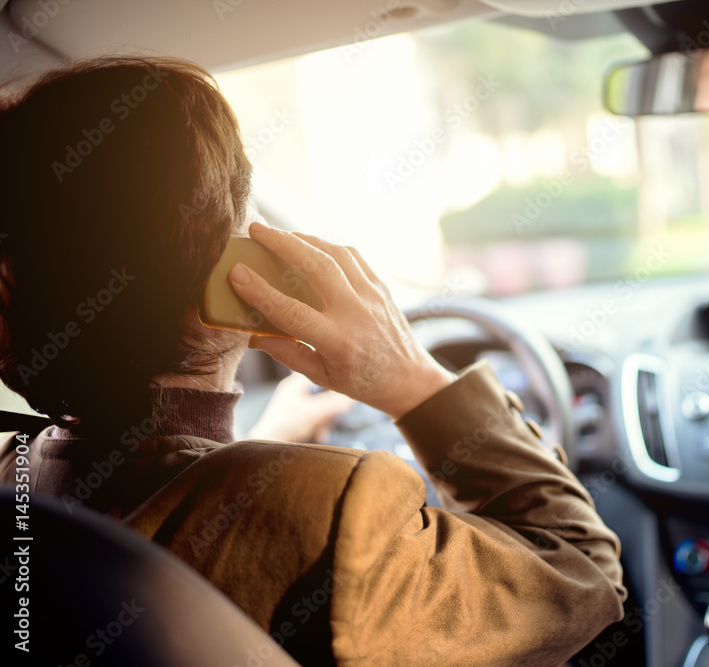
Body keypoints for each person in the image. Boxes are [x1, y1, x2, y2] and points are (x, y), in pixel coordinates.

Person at [0, 57, 626, 665]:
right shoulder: (332, 509)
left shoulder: (17, 481)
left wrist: (257, 452)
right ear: (214, 272)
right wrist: (414, 382)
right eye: (244, 205)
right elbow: (583, 575)